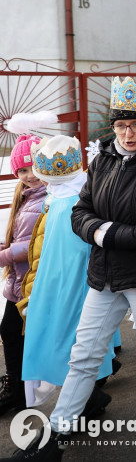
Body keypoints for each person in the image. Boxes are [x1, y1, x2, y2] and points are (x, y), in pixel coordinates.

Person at [6, 78, 136, 461]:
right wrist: (104, 232)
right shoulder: (106, 158)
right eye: (120, 125)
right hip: (104, 274)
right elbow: (81, 212)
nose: (127, 133)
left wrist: (105, 233)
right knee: (83, 354)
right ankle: (55, 439)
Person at [16, 134, 117, 419]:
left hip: (71, 282)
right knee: (71, 338)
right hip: (62, 279)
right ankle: (88, 398)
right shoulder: (62, 197)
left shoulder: (69, 200)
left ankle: (87, 401)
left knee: (71, 338)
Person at [0, 135, 45, 415]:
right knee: (10, 331)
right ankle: (17, 385)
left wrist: (3, 255)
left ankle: (19, 389)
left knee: (17, 333)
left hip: (31, 281)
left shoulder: (45, 198)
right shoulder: (26, 196)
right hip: (19, 280)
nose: (29, 176)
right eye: (23, 171)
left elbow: (28, 246)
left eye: (34, 168)